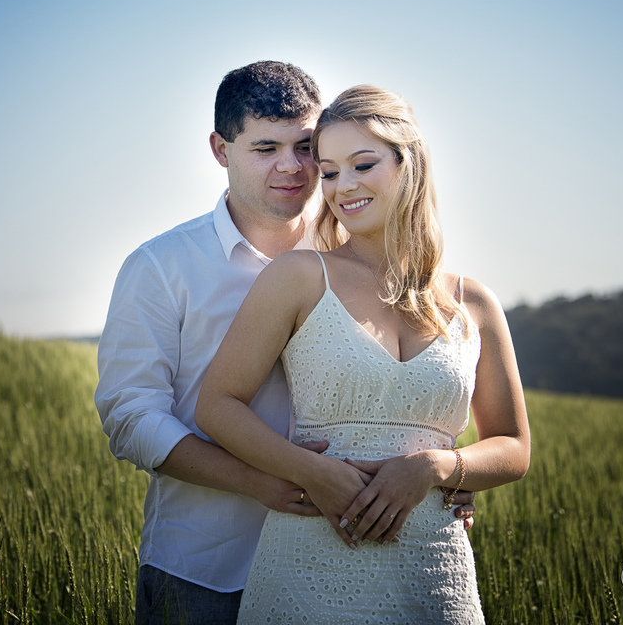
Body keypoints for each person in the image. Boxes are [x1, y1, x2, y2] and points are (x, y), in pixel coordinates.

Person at [96, 64, 476, 625]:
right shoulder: (160, 267)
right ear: (221, 150)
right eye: (266, 147)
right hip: (206, 564)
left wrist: (445, 472)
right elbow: (131, 417)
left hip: (347, 557)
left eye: (304, 147)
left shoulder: (354, 258)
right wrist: (268, 482)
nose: (291, 167)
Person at [196, 84, 530, 624]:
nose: (342, 186)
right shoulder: (300, 277)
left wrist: (437, 467)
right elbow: (217, 405)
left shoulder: (474, 303)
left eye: (363, 164)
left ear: (409, 164)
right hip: (309, 560)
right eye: (328, 172)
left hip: (434, 571)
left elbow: (514, 447)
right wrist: (314, 473)